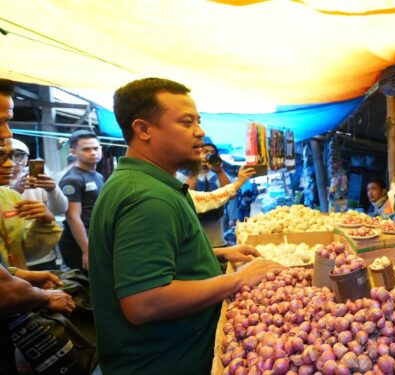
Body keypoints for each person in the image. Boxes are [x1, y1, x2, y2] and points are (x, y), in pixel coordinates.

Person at [88, 77, 284, 374]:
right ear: (143, 129)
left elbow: (156, 256)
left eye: (199, 121)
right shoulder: (147, 198)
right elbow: (144, 302)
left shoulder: (142, 183)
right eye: (187, 122)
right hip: (163, 362)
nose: (201, 132)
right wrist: (237, 280)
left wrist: (218, 253)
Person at [0, 78, 75, 375]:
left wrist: (45, 221)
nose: (9, 163)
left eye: (14, 156)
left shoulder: (9, 196)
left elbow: (22, 251)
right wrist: (41, 296)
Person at [9, 138, 69, 270]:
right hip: (10, 258)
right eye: (8, 156)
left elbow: (60, 209)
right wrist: (13, 191)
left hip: (43, 254)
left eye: (20, 155)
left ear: (27, 159)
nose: (14, 161)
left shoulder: (36, 180)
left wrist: (53, 189)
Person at [58, 130, 104, 271]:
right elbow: (72, 216)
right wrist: (86, 249)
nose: (93, 152)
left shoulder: (98, 176)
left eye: (95, 148)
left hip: (95, 239)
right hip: (78, 243)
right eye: (86, 149)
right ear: (73, 152)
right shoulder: (72, 179)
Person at [177, 138, 233, 247]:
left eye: (212, 153)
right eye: (205, 151)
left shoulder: (219, 173)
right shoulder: (185, 174)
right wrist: (196, 168)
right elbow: (186, 195)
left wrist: (220, 171)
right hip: (195, 233)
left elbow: (231, 193)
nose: (209, 155)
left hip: (217, 235)